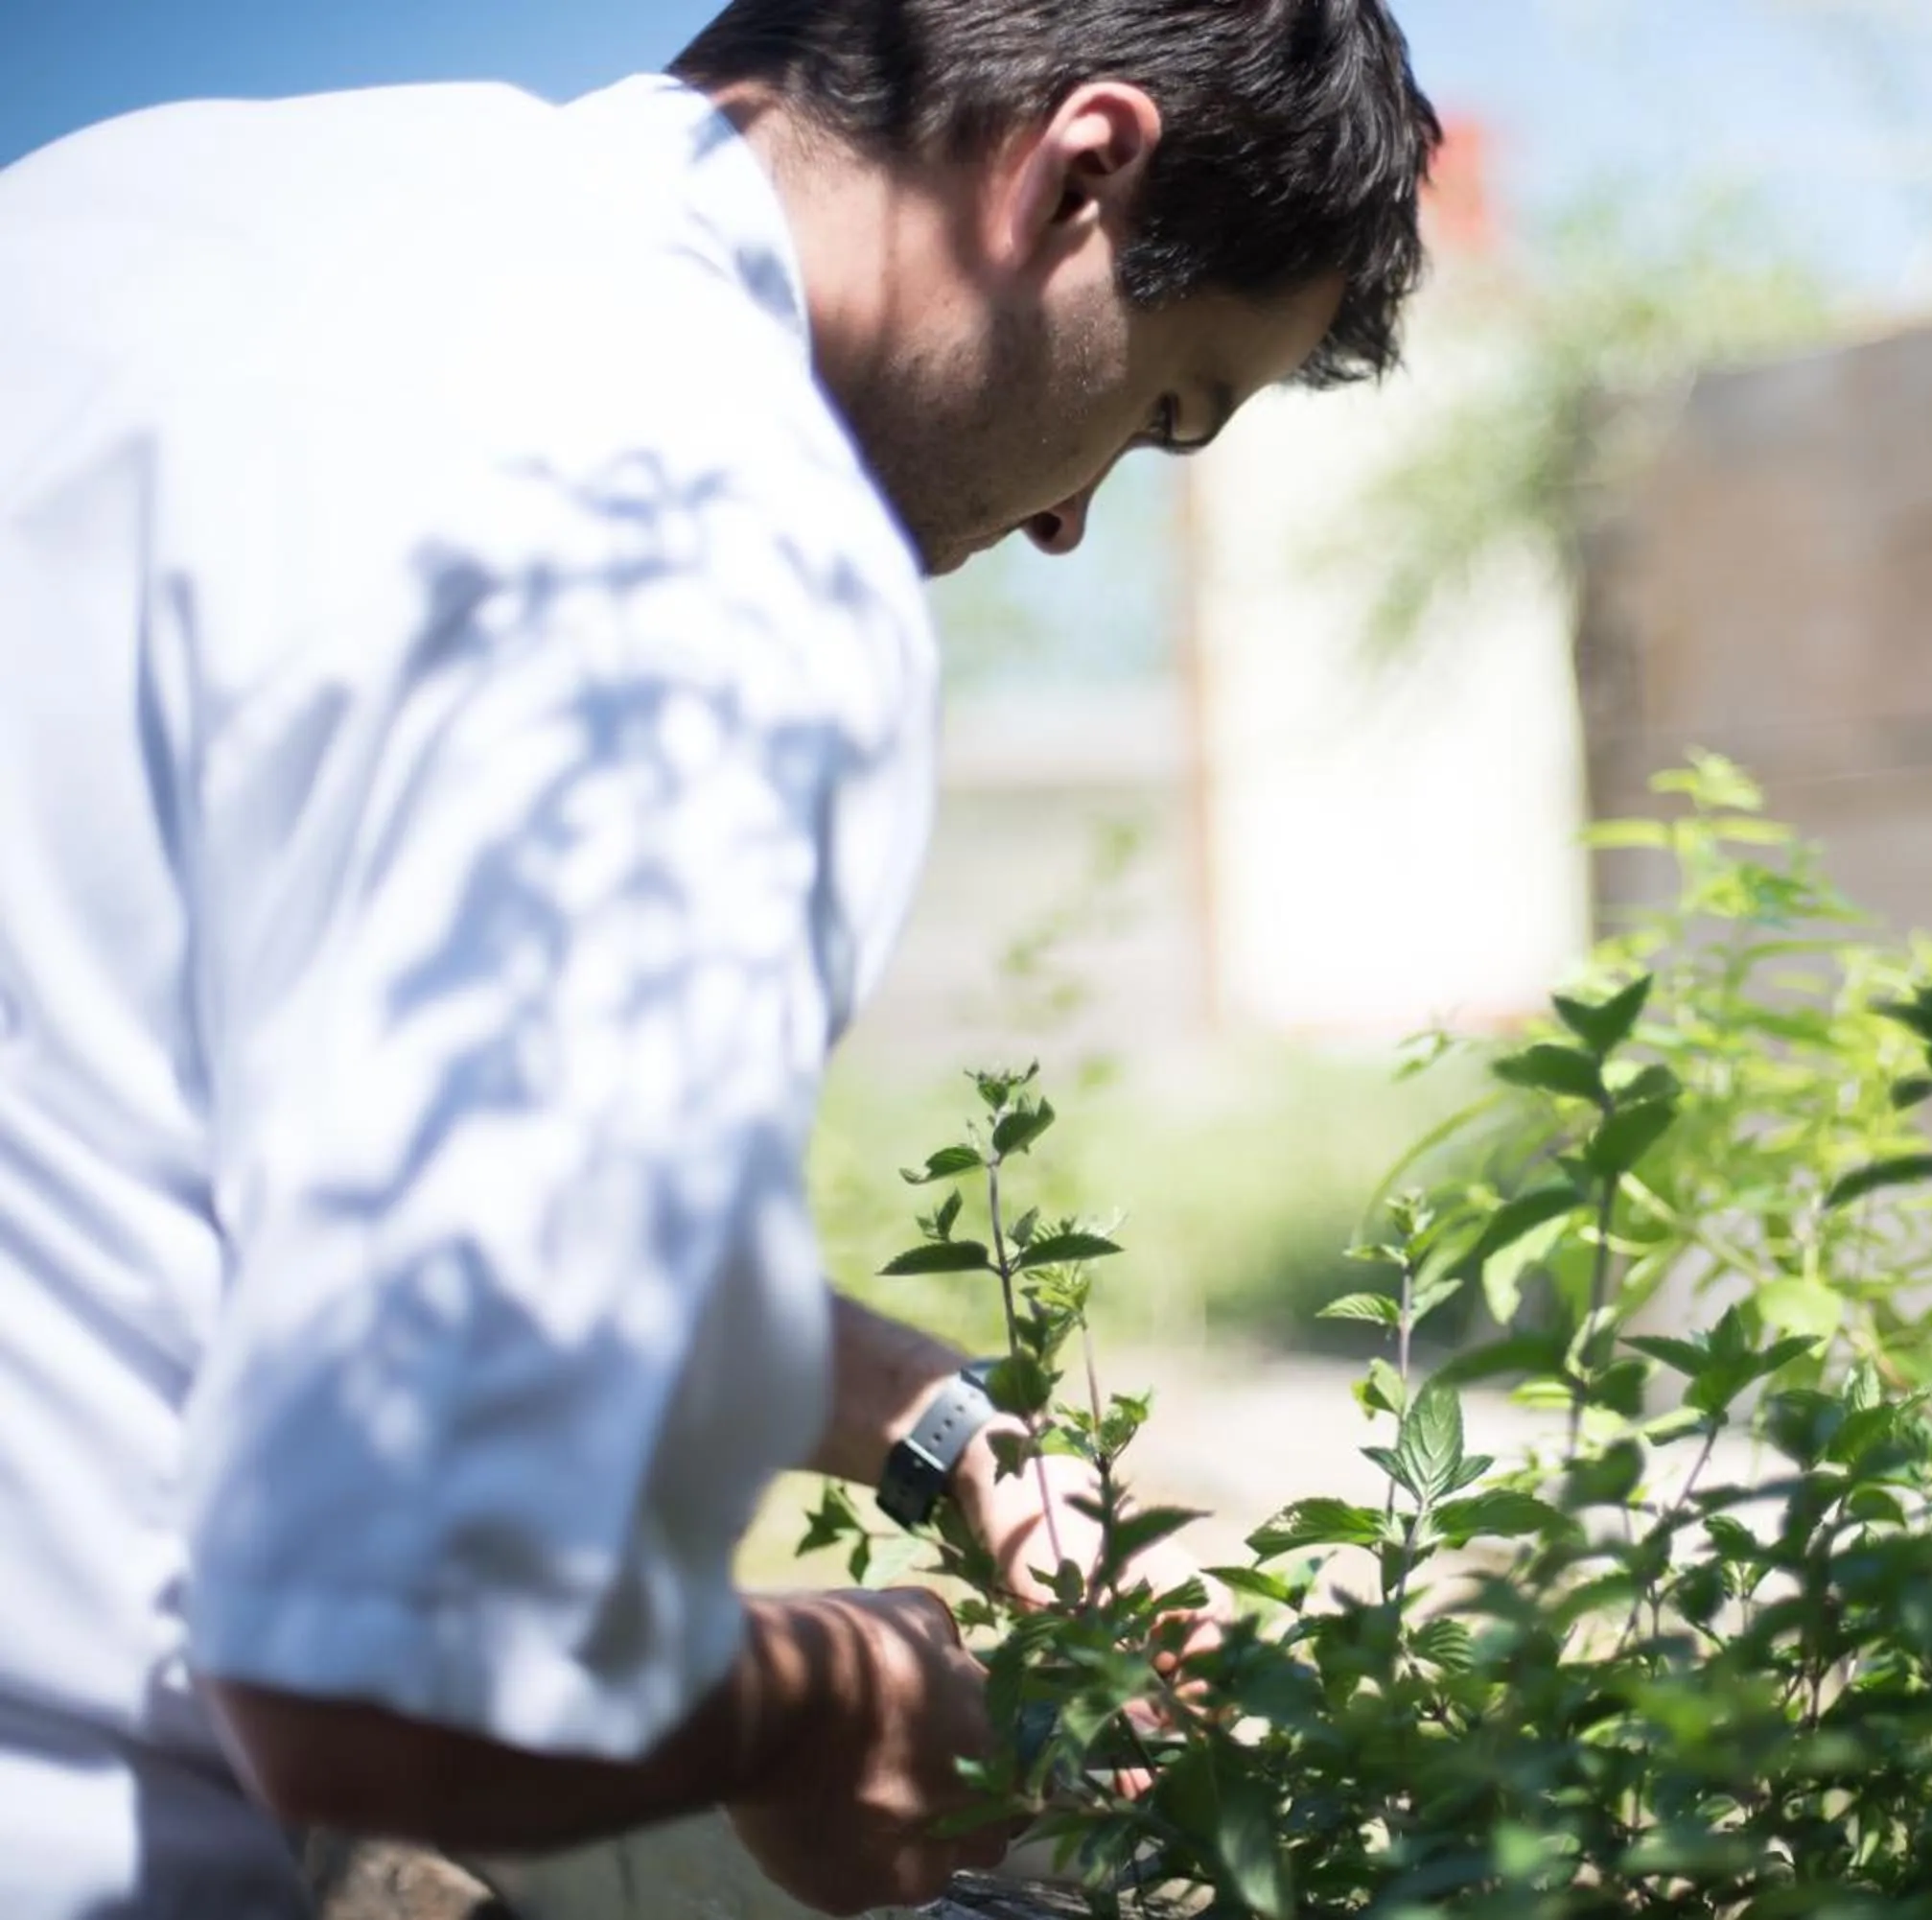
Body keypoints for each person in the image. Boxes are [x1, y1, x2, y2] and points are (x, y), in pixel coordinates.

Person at [0, 1, 1438, 1913]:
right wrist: (817, 1703)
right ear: (1081, 173)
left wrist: (930, 1411)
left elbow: (235, 1142)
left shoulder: (136, 207)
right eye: (1160, 403)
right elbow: (401, 1648)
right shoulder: (716, 532)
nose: (1080, 519)